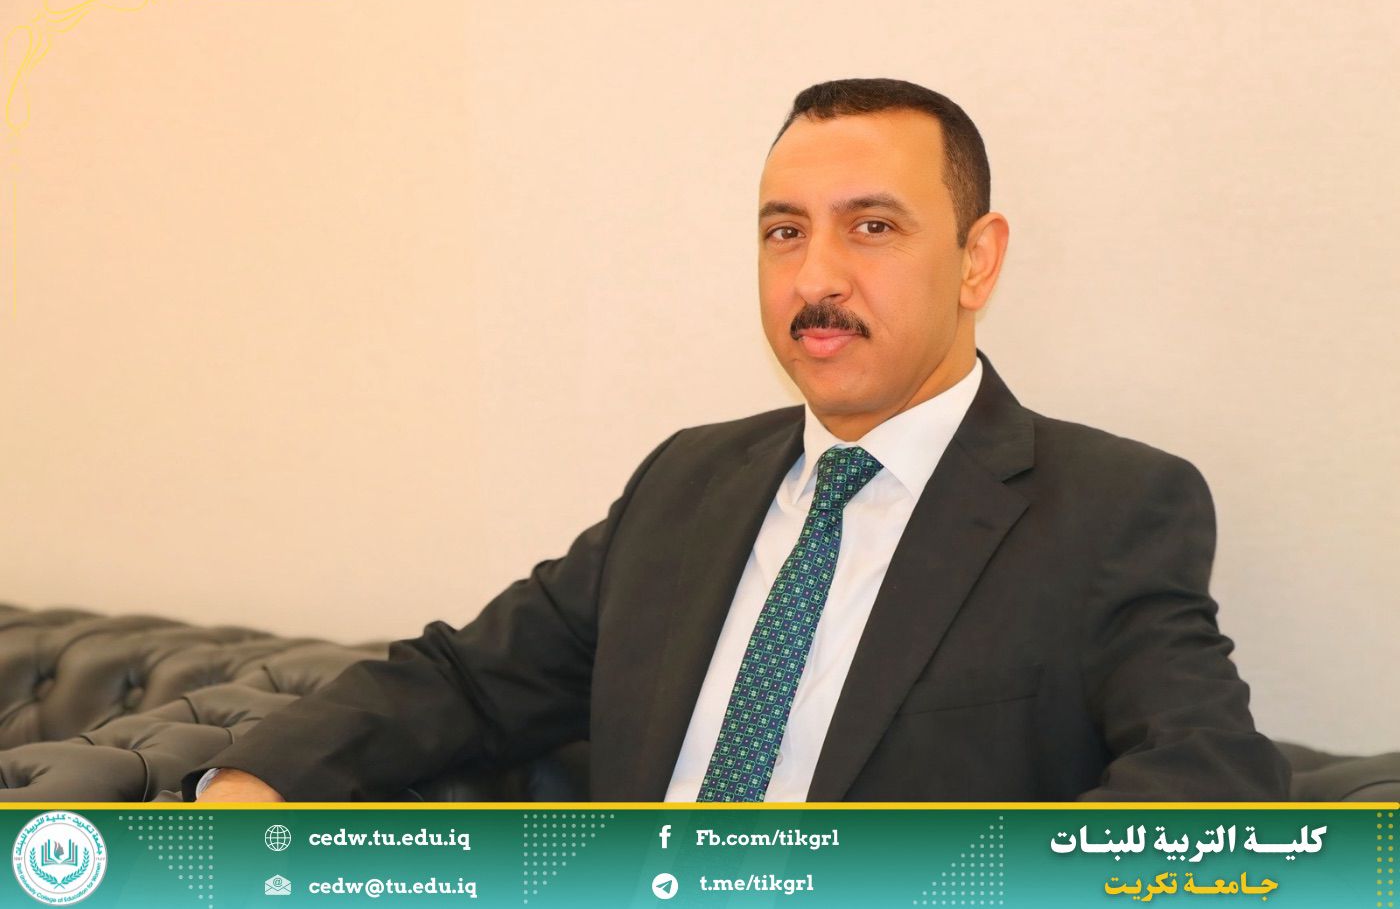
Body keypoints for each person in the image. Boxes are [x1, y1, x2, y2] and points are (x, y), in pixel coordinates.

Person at [190, 78, 1290, 803]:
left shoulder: (1107, 508)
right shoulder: (688, 481)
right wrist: (253, 783)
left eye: (871, 227)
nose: (816, 278)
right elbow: (470, 682)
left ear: (976, 260)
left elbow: (1209, 781)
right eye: (783, 232)